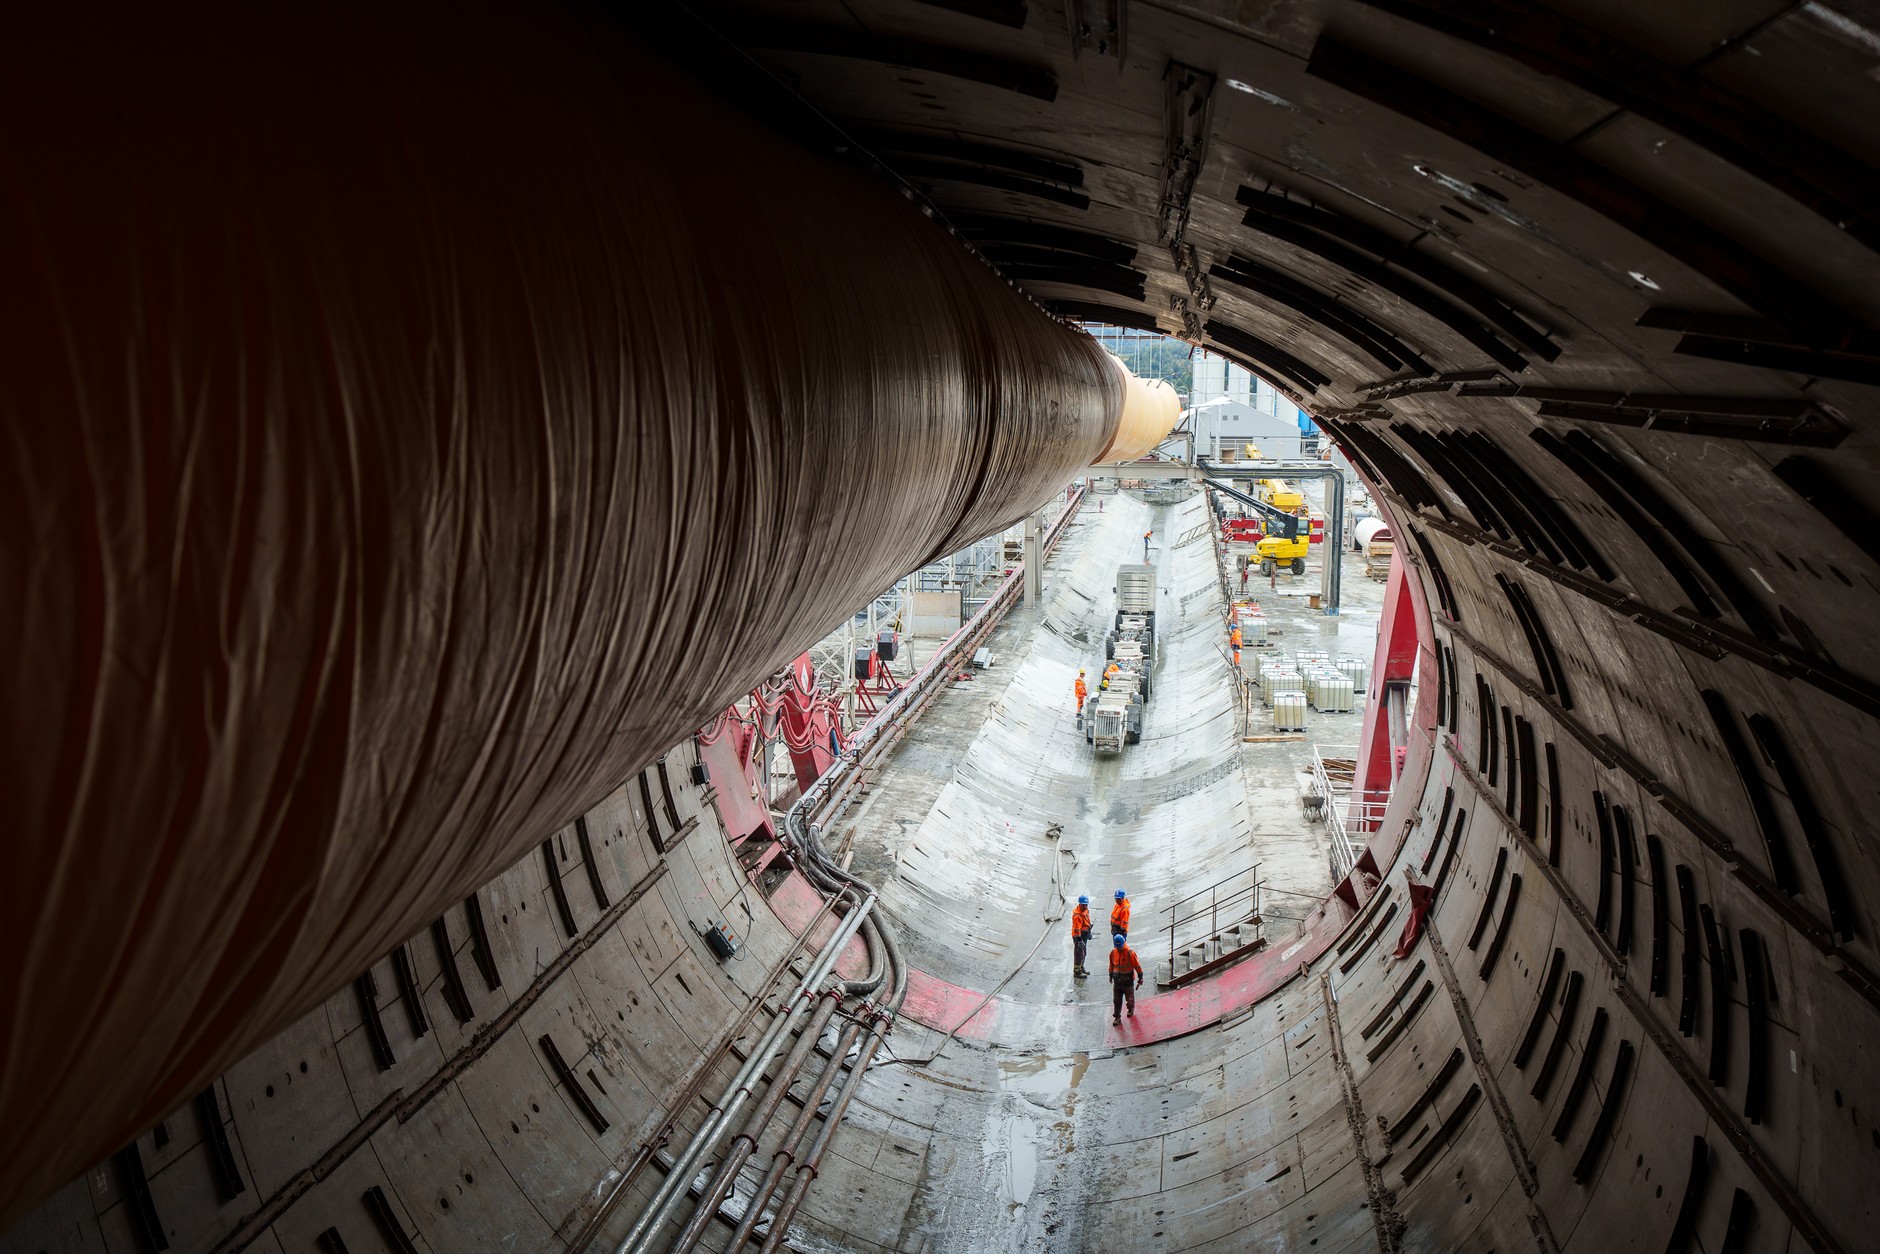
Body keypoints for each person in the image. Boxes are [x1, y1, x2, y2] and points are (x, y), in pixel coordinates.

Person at [1110, 934, 1143, 1024]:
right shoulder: (1113, 952)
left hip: (1127, 980)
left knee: (1130, 999)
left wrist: (1140, 977)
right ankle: (1117, 1017)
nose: (1119, 949)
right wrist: (1110, 975)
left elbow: (1137, 966)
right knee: (1117, 1000)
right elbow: (1111, 965)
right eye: (1117, 947)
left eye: (1120, 946)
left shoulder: (1130, 953)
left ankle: (1130, 1009)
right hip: (1117, 981)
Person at [1071, 895, 1093, 978]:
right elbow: (1077, 929)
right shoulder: (1077, 915)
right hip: (1079, 937)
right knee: (1079, 954)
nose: (1085, 906)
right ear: (1079, 904)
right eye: (1083, 905)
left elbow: (1087, 921)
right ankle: (1077, 971)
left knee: (1084, 953)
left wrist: (1089, 932)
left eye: (1086, 905)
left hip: (1084, 935)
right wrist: (1079, 940)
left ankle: (1081, 968)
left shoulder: (1086, 910)